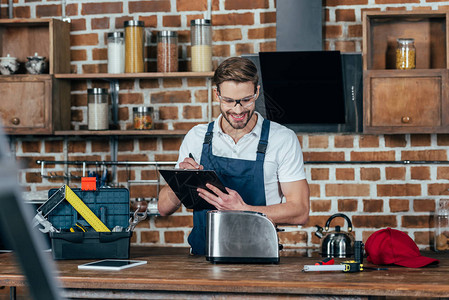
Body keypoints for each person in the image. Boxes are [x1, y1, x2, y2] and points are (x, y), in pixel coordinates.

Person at [158, 57, 310, 255]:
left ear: (256, 91)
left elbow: (300, 211)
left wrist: (245, 210)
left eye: (246, 100)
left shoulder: (282, 139)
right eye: (229, 101)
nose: (238, 110)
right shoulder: (196, 137)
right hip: (202, 261)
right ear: (217, 94)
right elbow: (163, 208)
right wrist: (180, 181)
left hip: (260, 258)